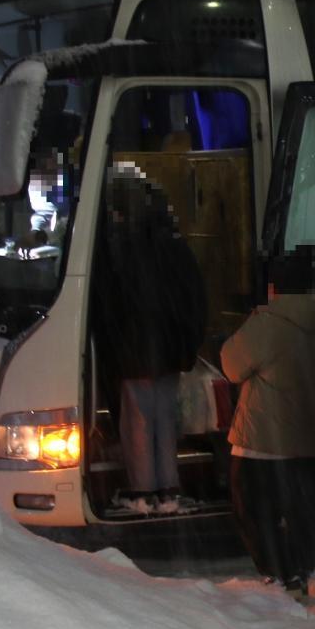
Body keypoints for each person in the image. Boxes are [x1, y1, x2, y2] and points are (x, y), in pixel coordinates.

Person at [88, 165, 206, 518]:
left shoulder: (120, 249)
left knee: (137, 422)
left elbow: (108, 305)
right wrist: (186, 346)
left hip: (133, 352)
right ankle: (169, 487)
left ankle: (144, 490)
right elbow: (195, 299)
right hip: (168, 350)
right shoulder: (174, 244)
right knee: (164, 419)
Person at [221, 246, 315, 594]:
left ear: (275, 288)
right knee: (302, 514)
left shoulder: (268, 322)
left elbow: (231, 365)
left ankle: (276, 572)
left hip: (262, 442)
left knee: (253, 511)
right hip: (310, 438)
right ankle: (299, 572)